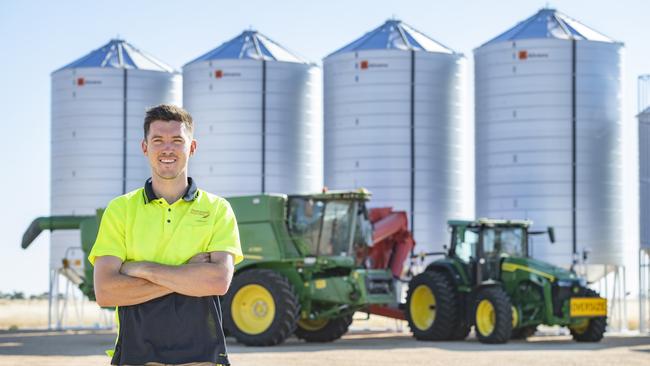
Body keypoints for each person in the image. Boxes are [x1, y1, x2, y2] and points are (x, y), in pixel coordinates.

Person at [88, 104, 243, 366]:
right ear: (145, 147)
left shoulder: (217, 209)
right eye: (158, 140)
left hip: (202, 358)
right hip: (135, 357)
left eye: (177, 140)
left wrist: (141, 268)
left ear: (192, 148)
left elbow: (217, 281)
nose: (167, 148)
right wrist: (187, 276)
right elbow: (106, 291)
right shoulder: (120, 209)